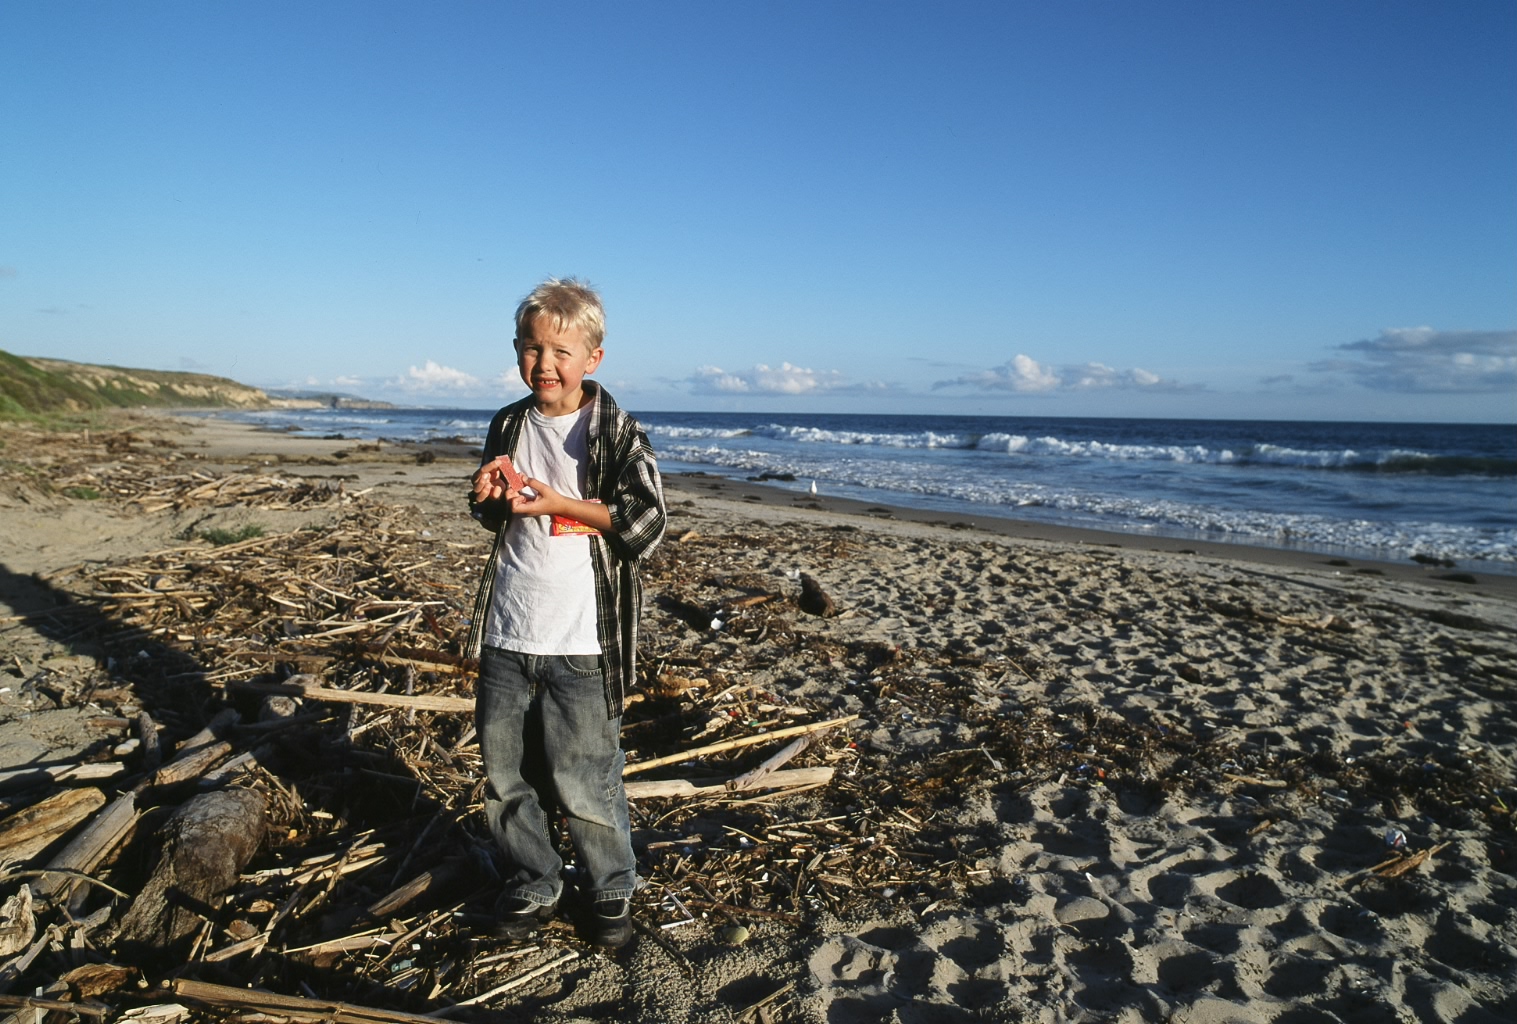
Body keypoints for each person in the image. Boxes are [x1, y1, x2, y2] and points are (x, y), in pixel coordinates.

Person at [464, 277, 666, 947]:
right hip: (507, 629)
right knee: (506, 775)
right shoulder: (508, 422)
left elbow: (645, 525)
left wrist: (561, 504)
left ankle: (609, 890)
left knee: (587, 779)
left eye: (559, 350)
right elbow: (495, 513)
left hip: (582, 638)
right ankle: (536, 877)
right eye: (530, 348)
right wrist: (489, 494)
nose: (543, 364)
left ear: (593, 359)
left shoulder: (613, 429)